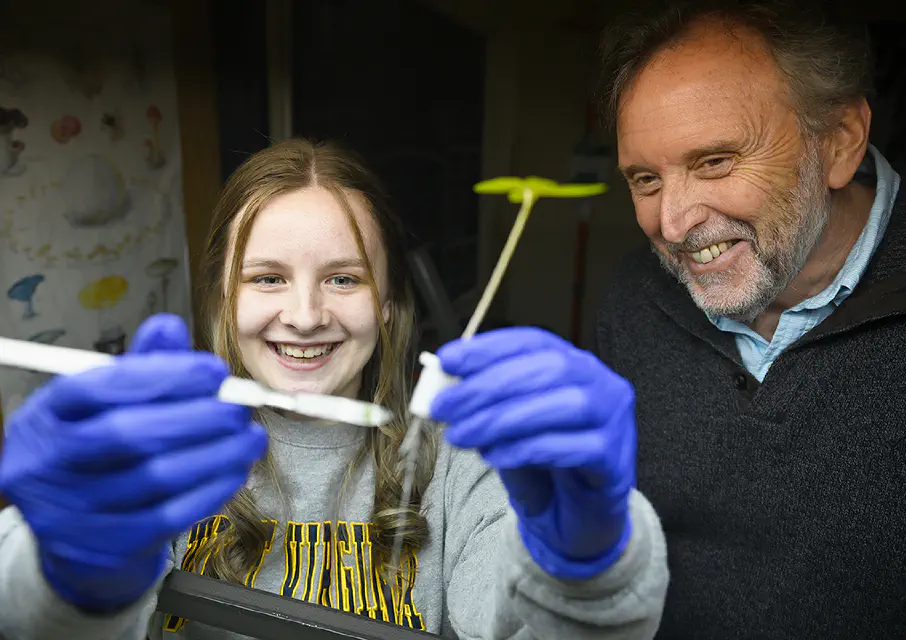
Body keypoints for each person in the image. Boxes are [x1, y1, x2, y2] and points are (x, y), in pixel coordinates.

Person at [0, 139, 668, 639]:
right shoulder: (160, 450)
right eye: (266, 278)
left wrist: (590, 560)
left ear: (386, 303)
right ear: (223, 298)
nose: (305, 314)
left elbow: (541, 623)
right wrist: (60, 574)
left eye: (343, 279)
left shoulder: (463, 462)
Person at [593, 0, 906, 637]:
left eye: (715, 161)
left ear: (841, 142)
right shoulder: (633, 297)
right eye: (646, 179)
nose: (674, 224)